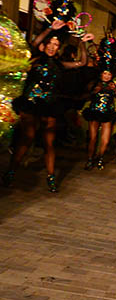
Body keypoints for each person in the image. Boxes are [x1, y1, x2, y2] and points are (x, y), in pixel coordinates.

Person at [4, 18, 91, 192]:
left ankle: (51, 177)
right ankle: (11, 172)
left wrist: (82, 43)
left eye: (56, 44)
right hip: (30, 103)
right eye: (50, 43)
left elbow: (82, 62)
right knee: (27, 138)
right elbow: (34, 43)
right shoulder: (35, 59)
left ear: (59, 48)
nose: (52, 47)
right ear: (45, 45)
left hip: (49, 105)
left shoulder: (60, 64)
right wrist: (50, 29)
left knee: (49, 143)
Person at [83, 59, 116, 169]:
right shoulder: (94, 83)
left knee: (105, 140)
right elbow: (85, 96)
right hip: (94, 112)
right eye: (105, 73)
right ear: (101, 74)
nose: (107, 76)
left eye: (109, 74)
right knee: (93, 138)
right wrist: (94, 92)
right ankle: (89, 159)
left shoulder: (113, 86)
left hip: (108, 114)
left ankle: (100, 158)